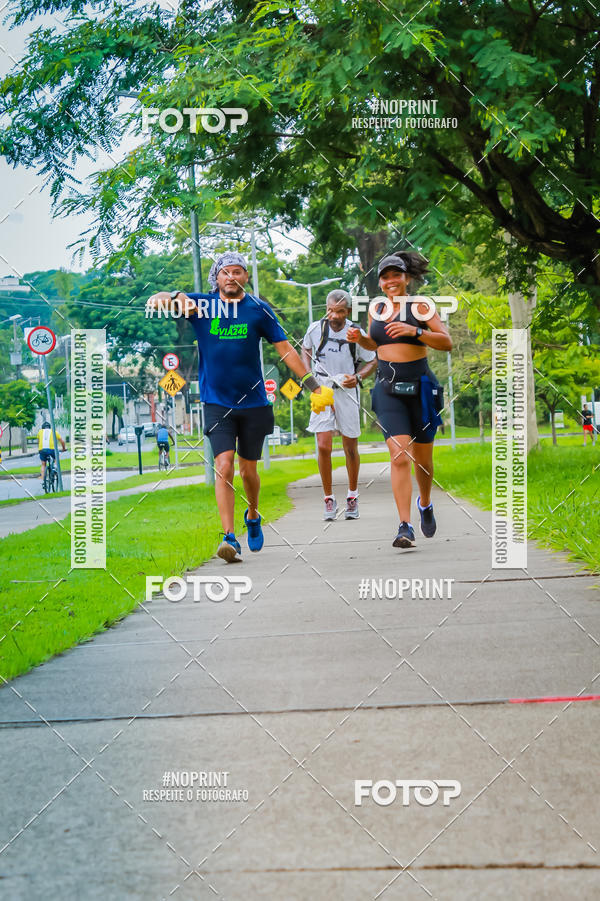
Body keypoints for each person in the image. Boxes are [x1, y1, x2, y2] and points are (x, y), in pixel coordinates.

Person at [146, 251, 332, 563]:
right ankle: (229, 536)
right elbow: (155, 300)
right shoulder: (200, 306)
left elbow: (285, 349)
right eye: (225, 272)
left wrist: (313, 385)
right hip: (217, 402)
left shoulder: (259, 308)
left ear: (245, 277)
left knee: (248, 470)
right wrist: (176, 296)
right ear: (215, 278)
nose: (231, 277)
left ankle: (254, 514)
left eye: (237, 272)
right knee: (224, 465)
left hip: (255, 403)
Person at [347, 252, 452, 549]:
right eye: (385, 277)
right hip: (387, 387)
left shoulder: (420, 306)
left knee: (424, 461)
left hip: (420, 387)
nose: (391, 281)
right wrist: (360, 339)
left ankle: (426, 503)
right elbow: (375, 343)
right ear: (380, 282)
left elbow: (446, 342)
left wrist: (415, 331)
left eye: (396, 275)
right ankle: (404, 526)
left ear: (407, 278)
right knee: (399, 455)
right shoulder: (376, 308)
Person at [302, 289, 377, 520]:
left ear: (349, 311)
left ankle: (352, 496)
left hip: (347, 389)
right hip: (322, 389)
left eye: (340, 311)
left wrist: (360, 377)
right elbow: (304, 349)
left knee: (350, 446)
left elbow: (373, 358)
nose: (334, 316)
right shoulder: (316, 329)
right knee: (323, 446)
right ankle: (328, 499)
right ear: (326, 309)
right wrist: (308, 377)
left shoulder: (356, 332)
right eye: (331, 311)